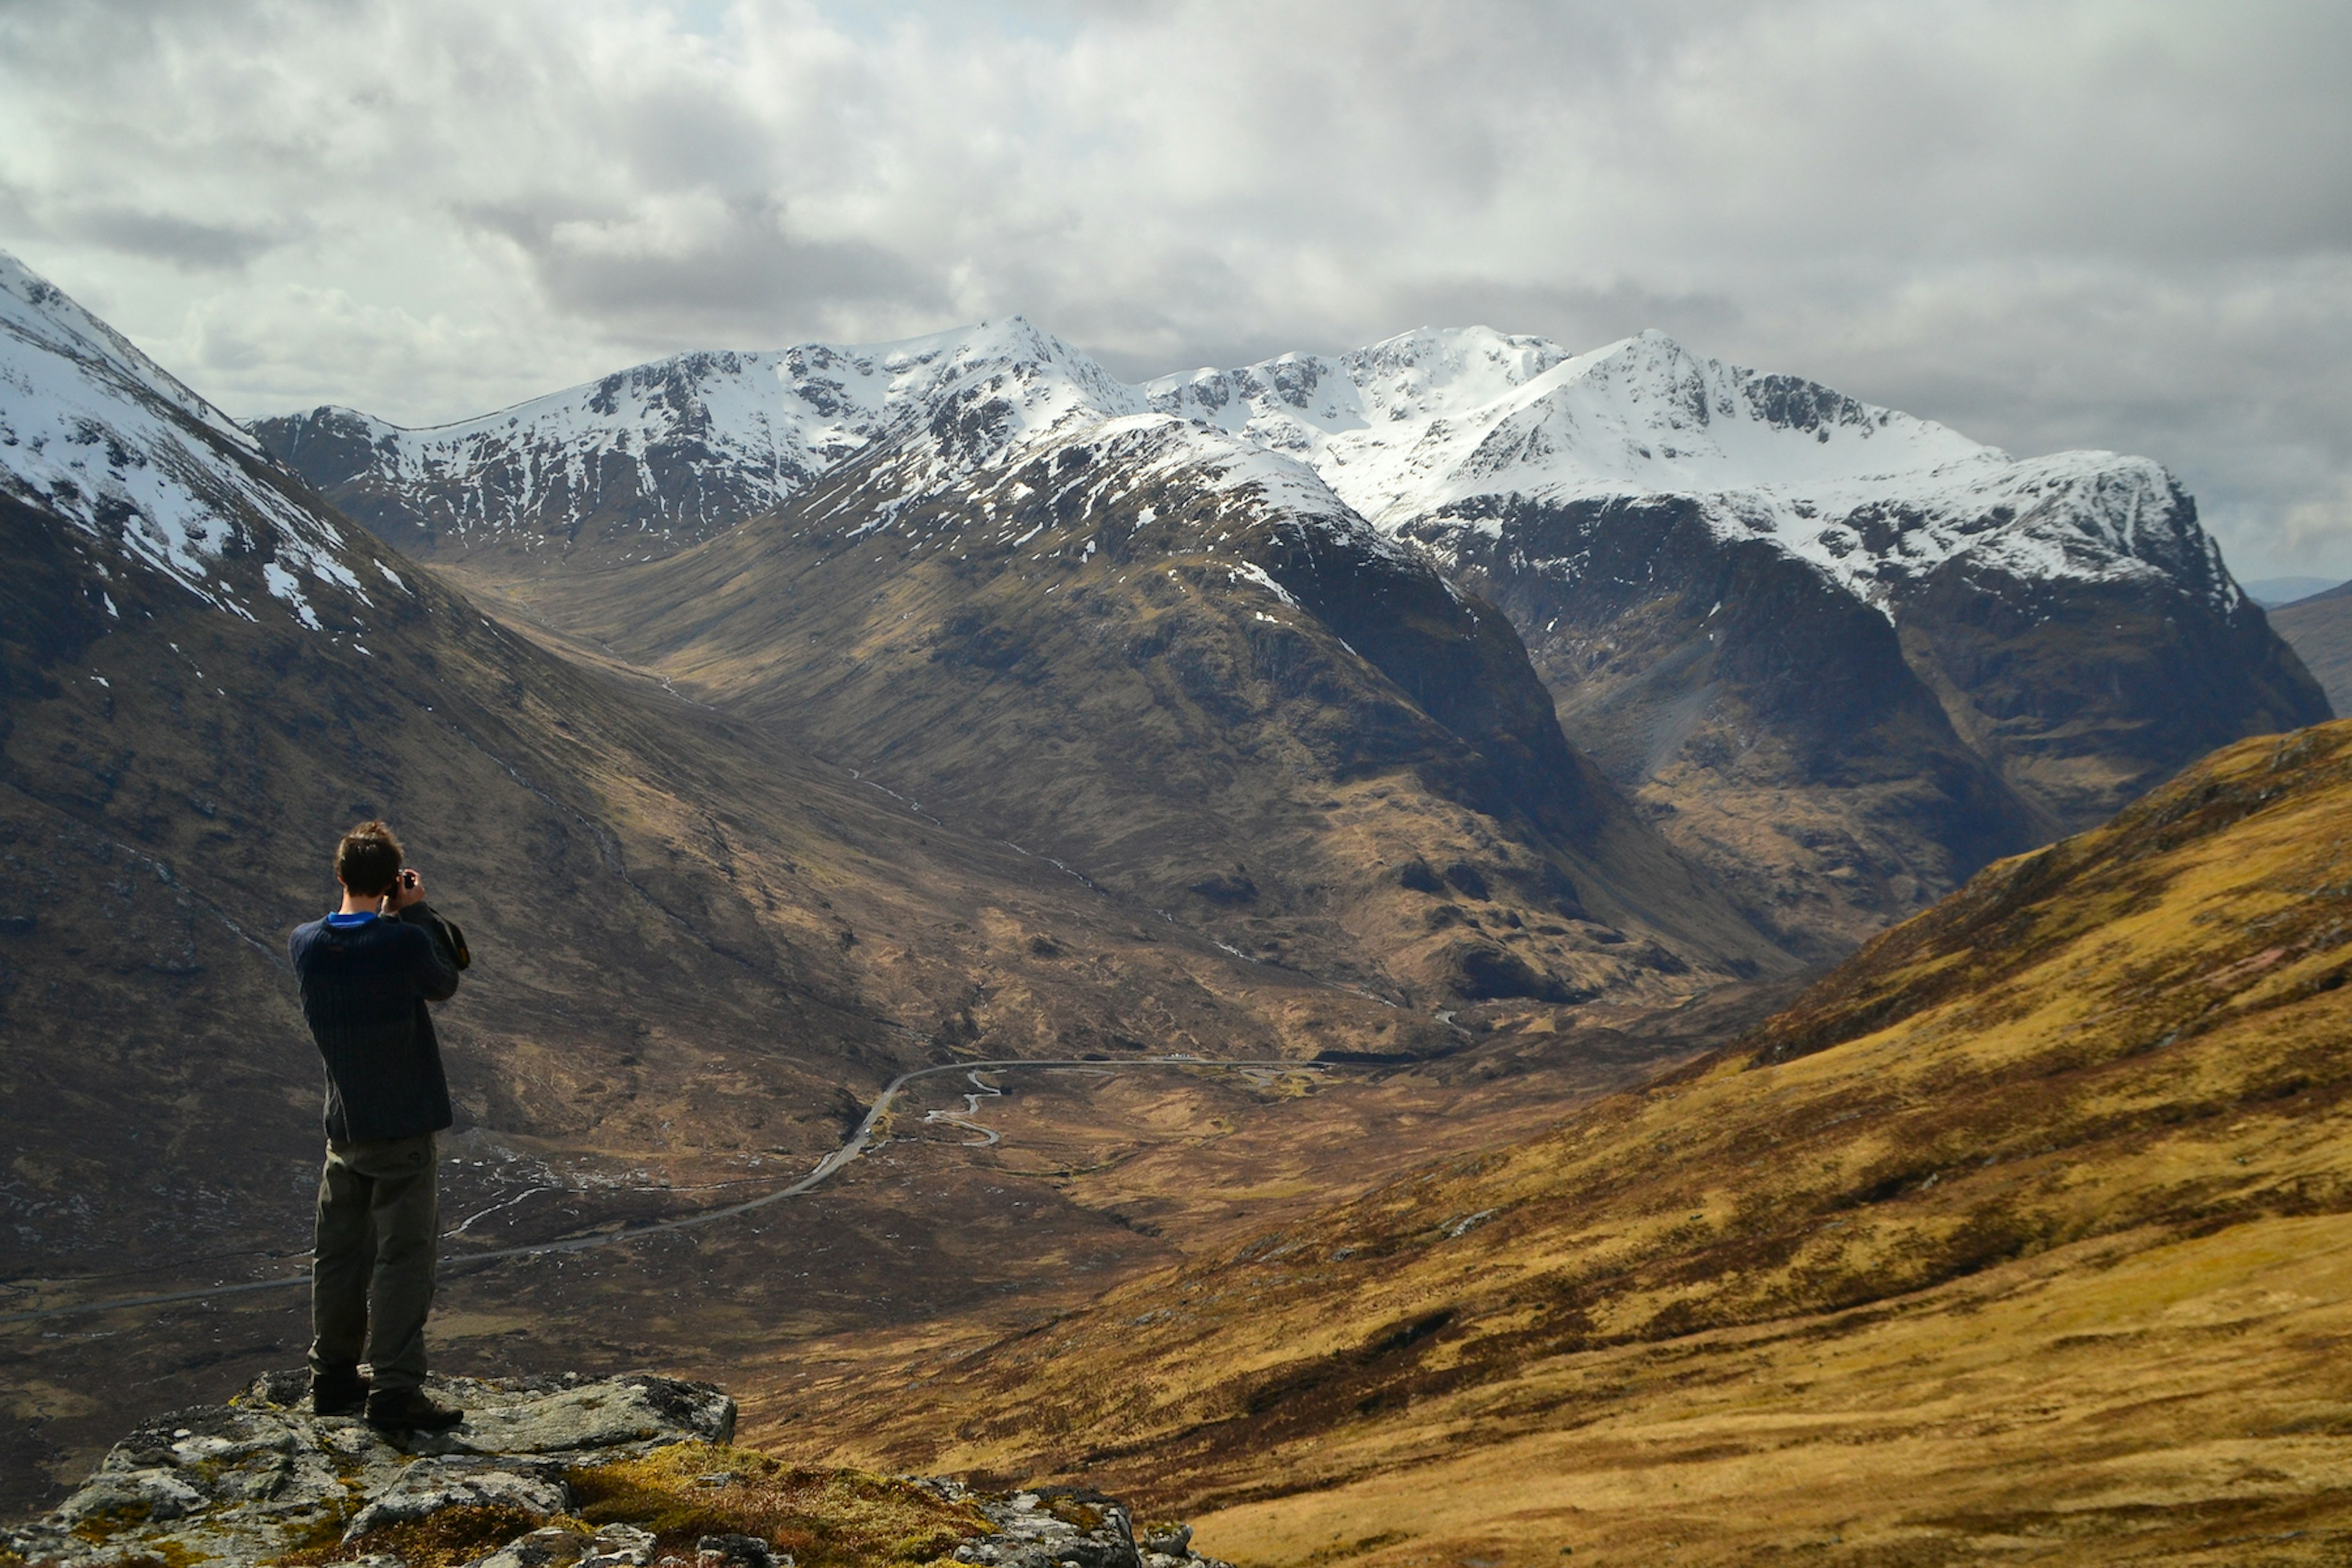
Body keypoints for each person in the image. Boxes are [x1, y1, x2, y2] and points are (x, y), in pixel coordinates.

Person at [288, 820, 466, 1433]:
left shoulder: (304, 944)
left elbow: (349, 946)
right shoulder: (402, 943)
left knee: (339, 1254)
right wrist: (413, 913)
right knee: (403, 1257)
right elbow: (445, 978)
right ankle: (394, 1390)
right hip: (404, 1129)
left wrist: (390, 912)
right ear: (393, 879)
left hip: (346, 1127)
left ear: (338, 876)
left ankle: (332, 1378)